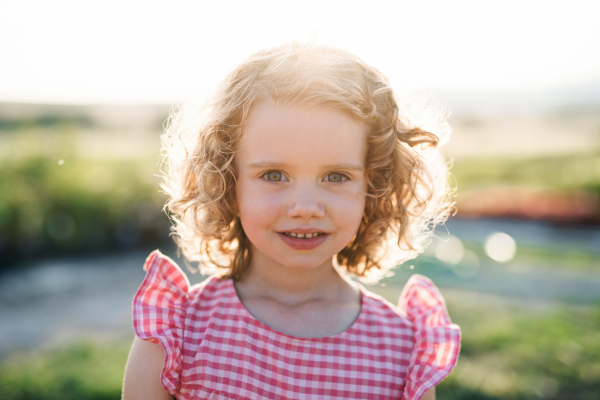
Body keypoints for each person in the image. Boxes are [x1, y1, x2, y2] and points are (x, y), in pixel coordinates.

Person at [122, 42, 460, 400]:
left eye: (336, 176)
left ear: (374, 186)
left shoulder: (402, 350)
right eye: (273, 175)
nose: (305, 207)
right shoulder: (178, 332)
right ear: (227, 183)